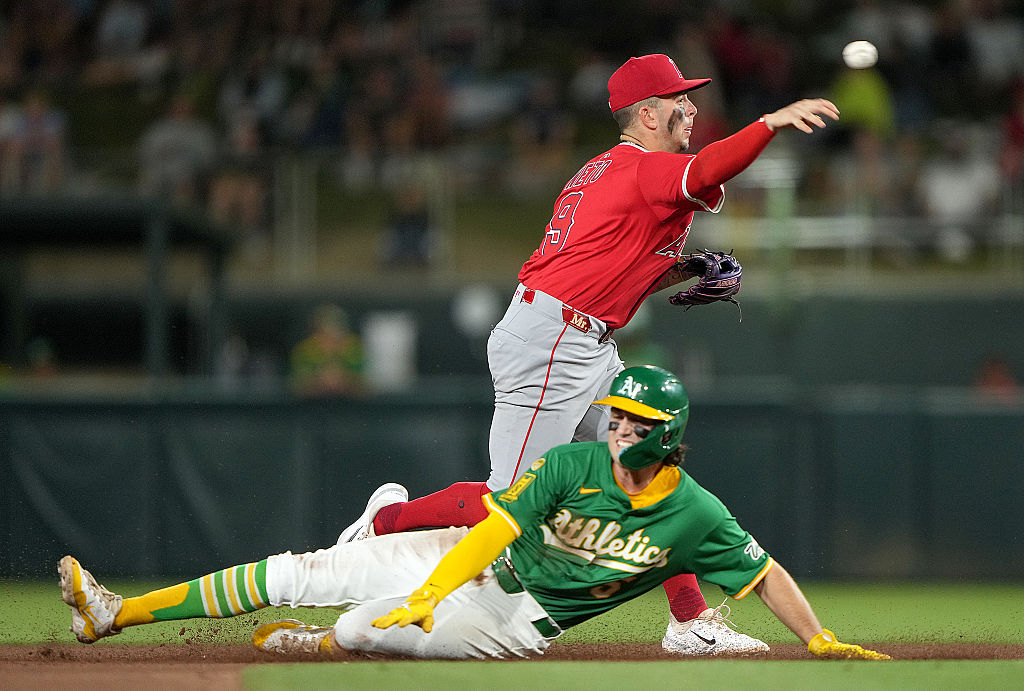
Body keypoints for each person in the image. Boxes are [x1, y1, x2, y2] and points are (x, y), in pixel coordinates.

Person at [337, 53, 840, 655]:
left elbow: (615, 276)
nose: (691, 106)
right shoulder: (643, 170)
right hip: (552, 343)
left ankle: (689, 621)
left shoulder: (618, 172)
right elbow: (706, 170)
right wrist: (771, 123)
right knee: (511, 504)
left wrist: (685, 270)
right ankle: (384, 521)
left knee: (646, 473)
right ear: (648, 113)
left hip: (585, 339)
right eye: (680, 98)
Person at [59, 366, 888, 662]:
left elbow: (765, 569)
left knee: (358, 631)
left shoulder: (697, 515)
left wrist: (813, 636)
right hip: (472, 561)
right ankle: (116, 610)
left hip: (516, 619)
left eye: (635, 423)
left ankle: (330, 640)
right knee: (293, 571)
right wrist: (432, 583)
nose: (618, 429)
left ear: (666, 436)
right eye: (616, 416)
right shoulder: (573, 462)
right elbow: (491, 525)